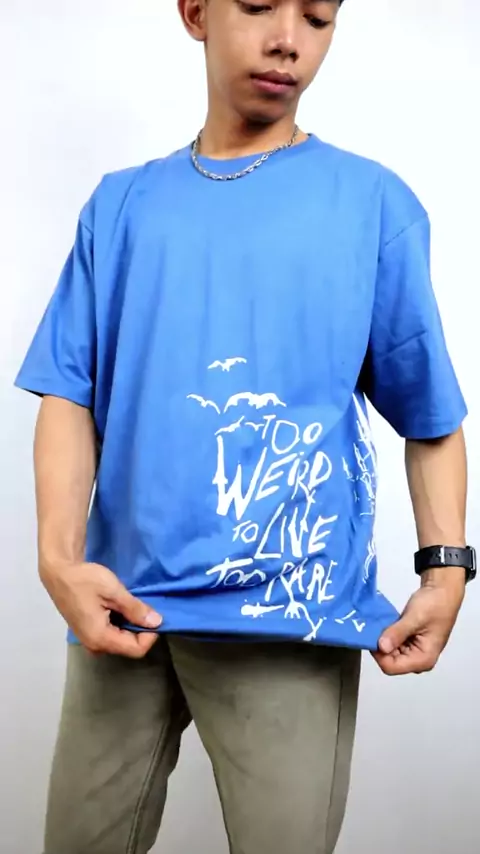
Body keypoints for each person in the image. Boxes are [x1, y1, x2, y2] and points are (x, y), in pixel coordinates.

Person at [15, 1, 475, 853]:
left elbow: (430, 414)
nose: (288, 40)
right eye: (259, 5)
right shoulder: (121, 206)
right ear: (196, 12)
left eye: (318, 17)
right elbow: (68, 391)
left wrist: (447, 572)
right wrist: (58, 562)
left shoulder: (372, 204)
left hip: (288, 623)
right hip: (122, 612)